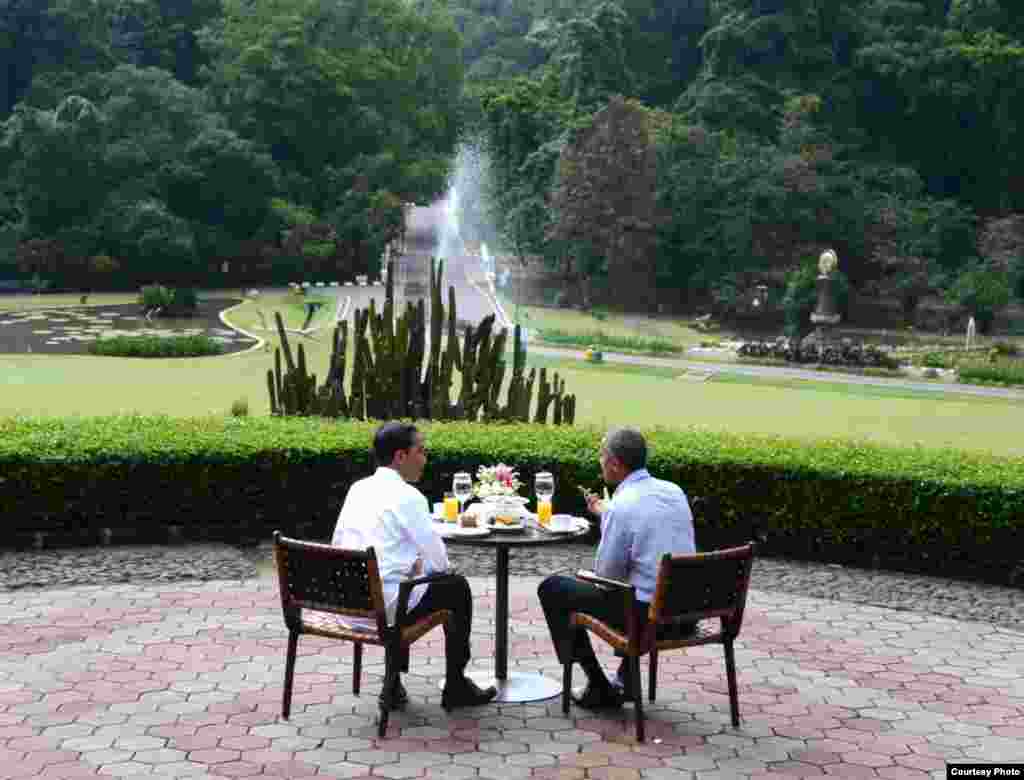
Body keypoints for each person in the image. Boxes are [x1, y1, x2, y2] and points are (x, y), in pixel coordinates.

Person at [332, 421, 497, 711]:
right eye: (420, 450)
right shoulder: (409, 497)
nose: (425, 458)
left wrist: (412, 568)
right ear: (400, 457)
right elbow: (441, 563)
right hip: (383, 610)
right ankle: (456, 685)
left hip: (348, 603)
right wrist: (421, 568)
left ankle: (392, 684)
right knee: (455, 587)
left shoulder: (357, 489)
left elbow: (340, 543)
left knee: (403, 582)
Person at [537, 427, 696, 709]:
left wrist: (611, 516)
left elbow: (607, 577)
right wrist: (607, 514)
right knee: (640, 583)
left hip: (648, 621)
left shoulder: (622, 505)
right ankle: (627, 679)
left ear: (614, 464)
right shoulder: (674, 491)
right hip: (686, 613)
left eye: (601, 456)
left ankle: (598, 687)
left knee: (553, 588)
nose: (599, 461)